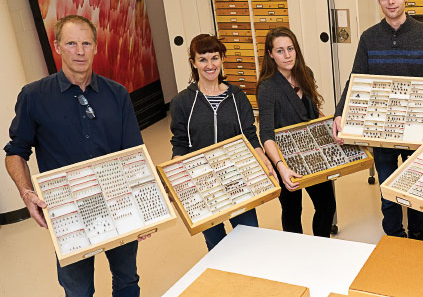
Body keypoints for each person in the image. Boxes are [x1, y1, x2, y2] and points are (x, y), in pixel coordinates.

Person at [4, 15, 144, 296]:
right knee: (77, 289)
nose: (79, 51)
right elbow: (15, 152)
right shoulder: (34, 96)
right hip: (67, 212)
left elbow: (134, 155)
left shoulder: (117, 94)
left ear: (95, 47)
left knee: (127, 280)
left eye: (86, 43)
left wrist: (144, 208)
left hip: (117, 201)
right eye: (71, 43)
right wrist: (26, 192)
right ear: (57, 47)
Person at [332, 0, 423, 240]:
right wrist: (341, 114)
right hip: (381, 132)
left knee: (417, 188)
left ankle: (418, 232)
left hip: (417, 131)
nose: (391, 1)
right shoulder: (369, 37)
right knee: (388, 191)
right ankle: (394, 237)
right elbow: (354, 82)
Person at [169, 34, 274, 251]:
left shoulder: (237, 97)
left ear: (222, 59)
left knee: (249, 237)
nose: (210, 65)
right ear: (193, 62)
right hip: (204, 185)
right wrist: (173, 178)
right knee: (216, 246)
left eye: (214, 58)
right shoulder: (182, 102)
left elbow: (250, 136)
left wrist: (265, 161)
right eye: (203, 59)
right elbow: (180, 143)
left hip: (238, 181)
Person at [257, 26, 336, 237]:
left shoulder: (305, 73)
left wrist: (331, 126)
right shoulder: (267, 87)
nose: (287, 55)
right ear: (270, 54)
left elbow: (312, 111)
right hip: (284, 157)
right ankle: (296, 255)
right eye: (280, 50)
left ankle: (321, 244)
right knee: (292, 210)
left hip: (312, 152)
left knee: (327, 205)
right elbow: (266, 134)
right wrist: (280, 167)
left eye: (290, 48)